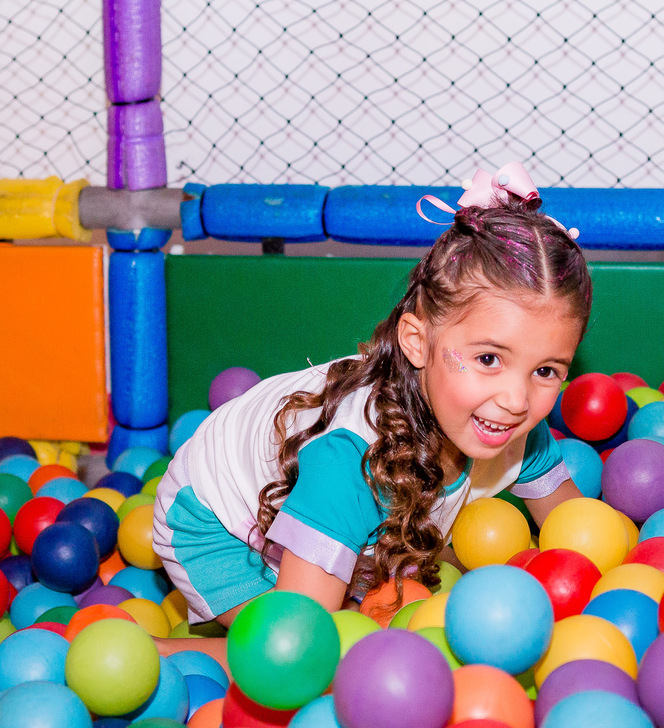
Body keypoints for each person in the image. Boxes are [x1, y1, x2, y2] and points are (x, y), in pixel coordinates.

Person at [152, 162, 590, 663]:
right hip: (217, 524)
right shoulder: (354, 463)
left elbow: (575, 545)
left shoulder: (510, 421)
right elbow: (296, 649)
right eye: (488, 359)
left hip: (338, 502)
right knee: (312, 657)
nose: (516, 399)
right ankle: (158, 650)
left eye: (547, 370)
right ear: (417, 341)